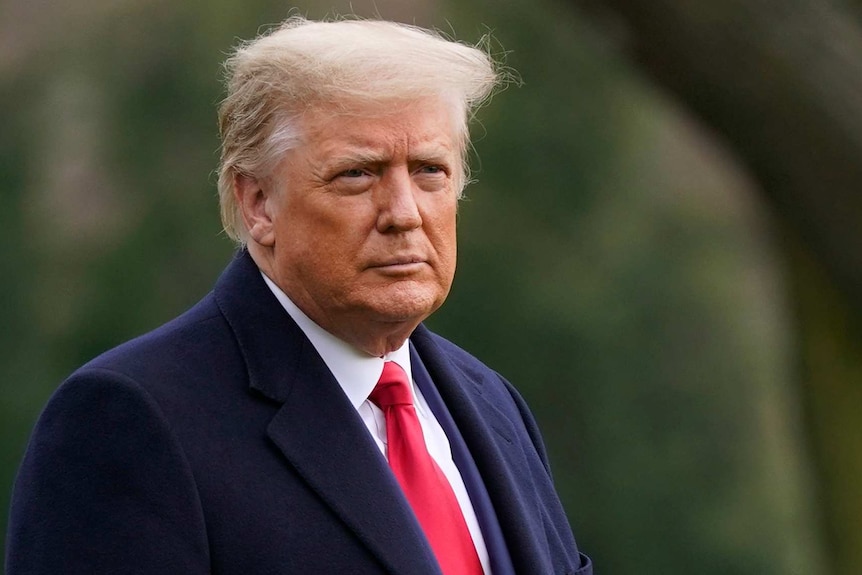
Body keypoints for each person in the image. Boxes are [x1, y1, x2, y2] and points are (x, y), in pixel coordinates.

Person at [6, 16, 592, 575]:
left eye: (430, 171)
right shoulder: (129, 421)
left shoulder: (493, 404)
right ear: (259, 202)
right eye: (357, 174)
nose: (404, 214)